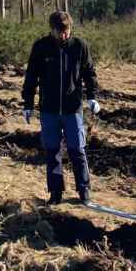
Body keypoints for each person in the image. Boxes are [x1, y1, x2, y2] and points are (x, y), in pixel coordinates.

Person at [21, 11, 100, 205]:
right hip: (49, 110)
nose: (64, 35)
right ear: (52, 30)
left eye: (67, 31)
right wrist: (28, 104)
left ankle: (84, 190)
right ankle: (56, 193)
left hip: (73, 109)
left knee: (77, 150)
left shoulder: (80, 46)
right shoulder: (41, 47)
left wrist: (92, 97)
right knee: (52, 151)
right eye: (60, 32)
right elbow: (31, 76)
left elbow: (89, 73)